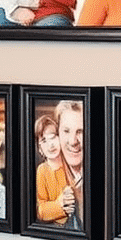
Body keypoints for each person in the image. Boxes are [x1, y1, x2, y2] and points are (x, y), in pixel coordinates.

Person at [53, 98, 85, 229]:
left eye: (80, 131)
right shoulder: (45, 174)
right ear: (57, 134)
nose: (73, 141)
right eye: (66, 131)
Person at [33, 112, 67, 224]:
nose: (50, 145)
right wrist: (59, 205)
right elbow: (40, 210)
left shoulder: (71, 164)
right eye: (44, 141)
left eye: (53, 137)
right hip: (57, 227)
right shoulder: (42, 170)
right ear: (39, 149)